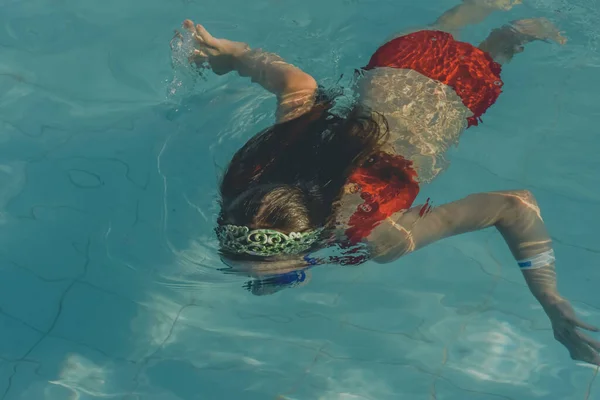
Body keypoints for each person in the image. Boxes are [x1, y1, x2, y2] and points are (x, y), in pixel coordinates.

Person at [177, 0, 600, 366]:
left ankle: (516, 31)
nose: (264, 286)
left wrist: (550, 299)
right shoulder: (261, 170)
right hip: (395, 60)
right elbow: (298, 84)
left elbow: (514, 204)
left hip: (457, 89)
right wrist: (232, 55)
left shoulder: (377, 235)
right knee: (446, 25)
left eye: (279, 278)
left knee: (503, 45)